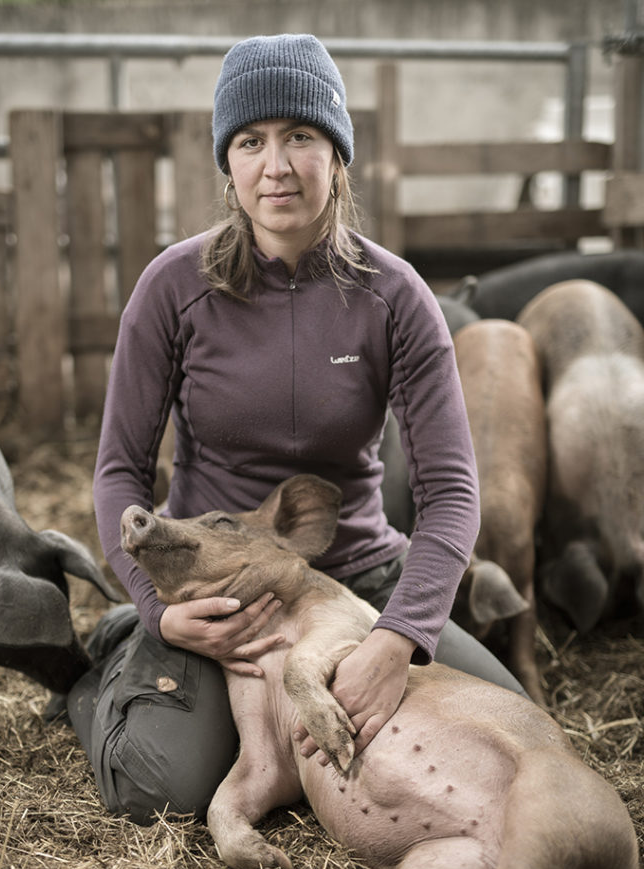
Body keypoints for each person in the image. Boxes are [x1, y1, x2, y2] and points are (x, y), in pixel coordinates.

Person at [68, 33, 527, 825]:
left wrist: (397, 639)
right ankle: (111, 661)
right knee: (157, 789)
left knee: (520, 749)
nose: (275, 165)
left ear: (337, 155)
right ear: (229, 163)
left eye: (299, 137)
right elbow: (119, 472)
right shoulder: (172, 287)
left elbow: (451, 492)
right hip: (218, 589)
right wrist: (155, 607)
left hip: (357, 575)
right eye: (251, 142)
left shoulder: (395, 297)